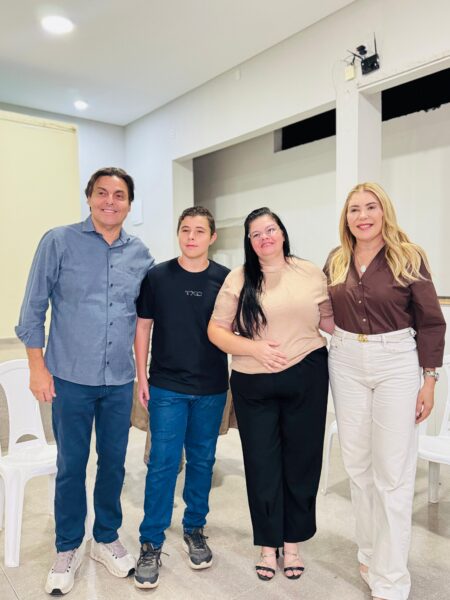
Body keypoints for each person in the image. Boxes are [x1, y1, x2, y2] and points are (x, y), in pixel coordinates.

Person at [15, 167, 154, 596]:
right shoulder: (59, 241)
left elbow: (144, 319)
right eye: (102, 193)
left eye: (119, 195)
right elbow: (33, 309)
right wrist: (37, 367)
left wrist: (144, 373)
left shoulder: (140, 254)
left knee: (113, 463)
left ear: (129, 203)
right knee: (72, 465)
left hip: (118, 380)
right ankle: (68, 546)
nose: (110, 201)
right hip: (69, 378)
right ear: (89, 197)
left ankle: (106, 537)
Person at [325, 182, 446, 600]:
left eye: (371, 207)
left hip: (396, 361)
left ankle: (391, 579)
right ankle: (370, 551)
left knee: (392, 474)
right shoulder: (336, 260)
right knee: (358, 467)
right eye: (354, 209)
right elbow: (323, 310)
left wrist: (429, 379)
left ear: (384, 212)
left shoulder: (408, 256)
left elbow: (431, 322)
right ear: (346, 218)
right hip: (345, 359)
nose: (363, 216)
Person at [208, 207, 334, 582]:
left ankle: (292, 543)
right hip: (254, 381)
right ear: (249, 242)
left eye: (270, 230)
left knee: (302, 462)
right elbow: (216, 330)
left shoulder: (310, 273)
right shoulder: (238, 278)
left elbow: (329, 320)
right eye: (256, 234)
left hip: (307, 375)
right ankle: (267, 544)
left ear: (282, 233)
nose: (265, 238)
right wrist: (254, 349)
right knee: (262, 464)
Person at [133, 206, 229, 589]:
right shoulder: (157, 276)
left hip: (211, 388)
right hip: (167, 387)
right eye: (186, 230)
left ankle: (194, 529)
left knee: (203, 461)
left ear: (212, 237)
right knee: (163, 463)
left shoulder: (226, 279)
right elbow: (143, 327)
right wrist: (142, 377)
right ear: (178, 234)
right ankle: (151, 541)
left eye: (200, 231)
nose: (192, 237)